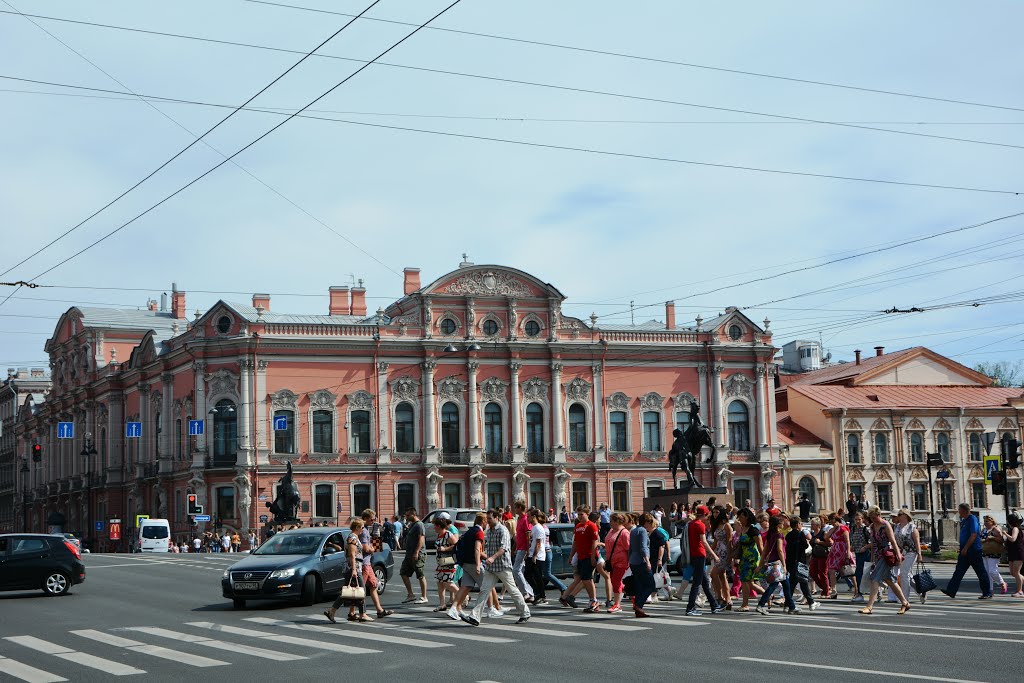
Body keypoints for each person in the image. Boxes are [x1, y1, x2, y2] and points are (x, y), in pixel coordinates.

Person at [460, 509, 531, 626]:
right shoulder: (490, 531)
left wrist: (492, 558)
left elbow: (504, 548)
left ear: (497, 518)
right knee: (484, 590)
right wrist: (487, 558)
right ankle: (475, 617)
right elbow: (489, 547)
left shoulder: (503, 530)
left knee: (513, 590)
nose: (487, 521)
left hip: (502, 566)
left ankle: (525, 612)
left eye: (490, 518)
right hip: (491, 568)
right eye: (487, 519)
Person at [858, 506, 911, 615]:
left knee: (874, 578)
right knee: (889, 580)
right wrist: (872, 559)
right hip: (878, 555)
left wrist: (898, 555)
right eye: (871, 518)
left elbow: (893, 541)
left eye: (874, 517)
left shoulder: (885, 525)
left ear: (879, 515)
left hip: (886, 555)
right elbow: (873, 544)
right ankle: (905, 603)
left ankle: (869, 606)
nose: (873, 520)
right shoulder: (872, 526)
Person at [941, 503, 992, 600]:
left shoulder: (972, 519)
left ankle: (987, 592)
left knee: (980, 571)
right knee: (959, 571)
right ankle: (951, 590)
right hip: (965, 550)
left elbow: (973, 535)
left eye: (959, 510)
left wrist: (965, 548)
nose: (958, 512)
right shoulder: (964, 520)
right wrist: (962, 548)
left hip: (973, 550)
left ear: (964, 510)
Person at [324, 521, 369, 623]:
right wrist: (354, 569)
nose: (363, 529)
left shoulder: (354, 537)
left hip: (352, 567)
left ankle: (332, 611)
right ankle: (363, 614)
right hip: (353, 567)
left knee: (347, 592)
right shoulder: (352, 538)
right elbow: (352, 555)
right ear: (357, 527)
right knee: (362, 590)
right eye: (362, 527)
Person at [560, 505, 600, 613]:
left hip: (589, 555)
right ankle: (593, 600)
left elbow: (594, 542)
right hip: (581, 556)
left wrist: (592, 557)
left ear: (587, 514)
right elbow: (576, 543)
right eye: (578, 514)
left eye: (582, 514)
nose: (580, 516)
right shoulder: (577, 526)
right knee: (586, 580)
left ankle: (593, 600)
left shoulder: (592, 526)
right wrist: (571, 556)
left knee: (587, 579)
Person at [448, 512, 486, 621]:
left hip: (465, 563)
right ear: (483, 522)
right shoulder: (479, 532)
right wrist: (478, 565)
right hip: (474, 563)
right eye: (486, 521)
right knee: (486, 587)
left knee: (466, 586)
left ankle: (453, 608)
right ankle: (490, 609)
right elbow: (477, 549)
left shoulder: (470, 531)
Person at [685, 505, 722, 617]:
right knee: (697, 583)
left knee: (705, 582)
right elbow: (704, 542)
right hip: (700, 554)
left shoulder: (690, 524)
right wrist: (714, 555)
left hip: (693, 554)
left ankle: (714, 605)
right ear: (706, 514)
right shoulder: (700, 525)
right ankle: (690, 608)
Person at [756, 515, 796, 614]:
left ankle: (791, 606)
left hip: (771, 562)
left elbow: (765, 552)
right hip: (778, 564)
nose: (783, 524)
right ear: (778, 524)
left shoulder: (770, 535)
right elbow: (780, 550)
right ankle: (761, 605)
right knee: (773, 585)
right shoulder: (779, 535)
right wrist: (784, 565)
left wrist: (760, 565)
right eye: (781, 522)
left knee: (786, 585)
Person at [887, 509, 924, 603]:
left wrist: (919, 554)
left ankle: (904, 598)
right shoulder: (897, 527)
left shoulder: (912, 527)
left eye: (899, 514)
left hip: (911, 553)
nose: (897, 516)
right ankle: (921, 591)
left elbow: (917, 542)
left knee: (904, 574)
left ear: (905, 516)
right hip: (900, 553)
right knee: (906, 575)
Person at [786, 516, 818, 611]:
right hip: (800, 561)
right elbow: (804, 546)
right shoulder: (800, 534)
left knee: (792, 584)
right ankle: (811, 602)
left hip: (790, 561)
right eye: (800, 523)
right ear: (798, 525)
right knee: (803, 581)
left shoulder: (788, 535)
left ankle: (788, 604)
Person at [735, 507, 763, 611]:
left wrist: (763, 561)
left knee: (745, 581)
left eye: (741, 517)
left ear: (747, 517)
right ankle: (767, 595)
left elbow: (760, 546)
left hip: (752, 559)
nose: (739, 519)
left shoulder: (753, 530)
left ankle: (745, 604)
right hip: (744, 558)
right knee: (749, 583)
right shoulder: (743, 529)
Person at [629, 513, 656, 618]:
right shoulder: (643, 531)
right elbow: (643, 547)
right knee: (650, 585)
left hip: (633, 561)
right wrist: (648, 561)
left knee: (640, 586)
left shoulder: (634, 530)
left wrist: (629, 559)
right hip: (641, 561)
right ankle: (638, 605)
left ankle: (638, 610)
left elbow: (630, 547)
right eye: (650, 522)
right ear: (647, 522)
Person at [432, 514, 459, 612]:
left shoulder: (448, 534)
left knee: (448, 583)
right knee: (440, 583)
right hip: (441, 562)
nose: (434, 527)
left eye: (435, 525)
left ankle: (464, 596)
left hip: (449, 561)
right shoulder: (439, 534)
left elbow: (456, 545)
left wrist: (445, 548)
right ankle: (442, 604)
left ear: (439, 526)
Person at [604, 512, 630, 613]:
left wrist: (629, 563)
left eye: (611, 521)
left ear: (617, 521)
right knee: (616, 581)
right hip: (611, 561)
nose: (609, 522)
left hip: (621, 561)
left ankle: (617, 605)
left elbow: (628, 548)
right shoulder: (611, 531)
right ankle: (632, 595)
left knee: (616, 581)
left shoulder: (624, 532)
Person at [400, 508, 428, 604]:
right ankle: (410, 595)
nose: (406, 517)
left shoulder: (419, 525)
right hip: (409, 554)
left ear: (413, 514)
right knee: (403, 573)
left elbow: (421, 539)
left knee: (420, 574)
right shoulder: (412, 525)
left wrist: (416, 552)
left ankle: (424, 596)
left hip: (417, 554)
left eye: (408, 515)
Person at [826, 512, 855, 599]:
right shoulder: (834, 528)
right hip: (835, 550)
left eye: (832, 519)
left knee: (848, 571)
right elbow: (826, 537)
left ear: (836, 519)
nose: (831, 521)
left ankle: (856, 589)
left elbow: (847, 541)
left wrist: (848, 553)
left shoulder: (843, 528)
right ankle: (834, 590)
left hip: (843, 549)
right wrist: (834, 528)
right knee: (831, 570)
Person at [708, 506, 733, 608]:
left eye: (717, 512)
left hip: (724, 552)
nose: (715, 514)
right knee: (722, 577)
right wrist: (710, 552)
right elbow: (715, 541)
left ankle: (720, 598)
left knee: (713, 574)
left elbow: (729, 541)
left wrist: (730, 557)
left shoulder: (726, 525)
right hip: (718, 552)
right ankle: (728, 600)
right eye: (713, 512)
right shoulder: (716, 524)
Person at [511, 500, 535, 603]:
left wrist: (528, 549)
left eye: (516, 507)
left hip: (524, 548)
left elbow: (528, 535)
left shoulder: (525, 519)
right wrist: (514, 547)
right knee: (520, 571)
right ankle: (529, 593)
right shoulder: (519, 519)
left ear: (520, 508)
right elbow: (518, 535)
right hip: (519, 547)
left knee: (516, 570)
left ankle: (526, 592)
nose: (514, 509)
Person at [980, 515, 1008, 595]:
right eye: (984, 521)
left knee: (992, 571)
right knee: (987, 572)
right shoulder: (984, 530)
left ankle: (1002, 583)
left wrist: (992, 537)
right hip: (985, 552)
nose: (985, 523)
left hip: (994, 552)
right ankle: (990, 590)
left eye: (987, 521)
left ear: (992, 521)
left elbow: (1001, 540)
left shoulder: (995, 529)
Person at [526, 510, 549, 604]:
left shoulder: (538, 528)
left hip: (538, 555)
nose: (527, 518)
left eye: (529, 516)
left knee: (537, 576)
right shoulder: (534, 528)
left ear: (534, 517)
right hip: (532, 554)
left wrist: (534, 555)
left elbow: (539, 543)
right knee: (528, 575)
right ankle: (538, 593)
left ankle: (541, 595)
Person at [850, 512, 871, 603]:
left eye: (859, 519)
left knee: (864, 573)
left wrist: (865, 547)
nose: (858, 521)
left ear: (862, 519)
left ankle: (862, 593)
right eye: (856, 519)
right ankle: (860, 593)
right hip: (857, 553)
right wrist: (852, 547)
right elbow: (853, 540)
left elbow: (873, 542)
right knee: (859, 573)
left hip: (866, 553)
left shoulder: (866, 529)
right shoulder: (854, 528)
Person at [809, 516, 831, 599]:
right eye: (811, 524)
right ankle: (825, 588)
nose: (811, 526)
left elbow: (830, 543)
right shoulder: (812, 534)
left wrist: (820, 542)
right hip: (814, 555)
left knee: (822, 573)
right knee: (812, 573)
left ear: (818, 525)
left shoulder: (823, 533)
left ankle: (826, 593)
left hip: (823, 556)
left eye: (813, 524)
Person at [1005, 513, 1024, 597]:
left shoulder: (1015, 529)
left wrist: (1005, 534)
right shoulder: (1010, 529)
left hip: (1018, 551)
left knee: (1016, 572)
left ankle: (1020, 591)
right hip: (1012, 552)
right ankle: (1021, 579)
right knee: (1013, 573)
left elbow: (1013, 539)